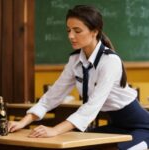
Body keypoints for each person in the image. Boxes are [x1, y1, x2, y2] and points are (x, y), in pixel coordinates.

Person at [8, 5, 149, 150]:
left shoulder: (110, 61)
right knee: (78, 146)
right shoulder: (75, 60)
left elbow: (91, 106)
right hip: (116, 126)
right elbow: (52, 96)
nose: (70, 36)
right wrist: (23, 122)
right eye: (68, 30)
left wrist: (55, 130)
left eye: (77, 31)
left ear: (95, 31)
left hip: (142, 128)